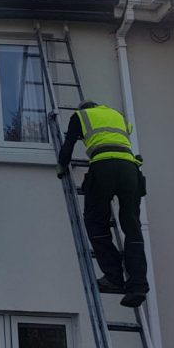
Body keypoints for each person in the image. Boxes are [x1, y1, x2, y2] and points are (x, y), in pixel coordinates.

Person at [56, 101, 149, 308]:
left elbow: (67, 147)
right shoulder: (118, 116)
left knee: (95, 222)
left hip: (104, 166)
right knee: (132, 228)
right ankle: (138, 285)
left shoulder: (80, 116)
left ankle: (114, 276)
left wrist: (61, 168)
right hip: (130, 168)